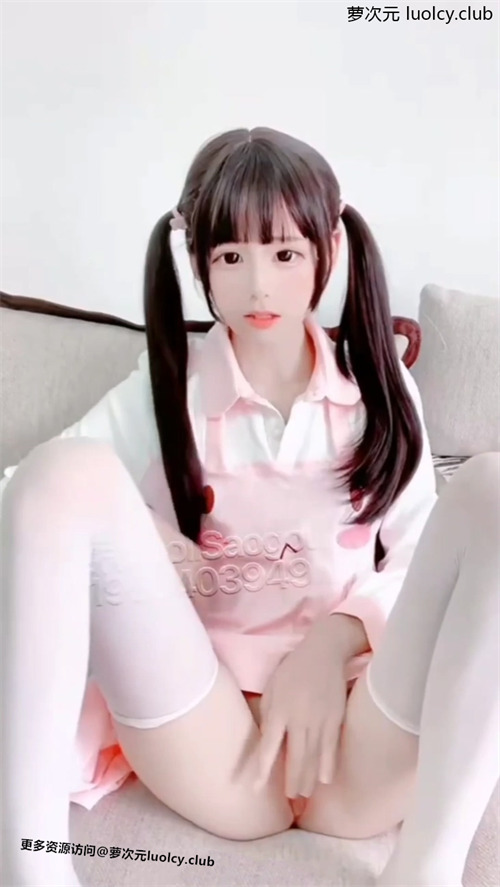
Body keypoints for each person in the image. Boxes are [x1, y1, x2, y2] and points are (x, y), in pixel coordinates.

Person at [1, 126, 498, 887]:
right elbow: (27, 495)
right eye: (231, 257)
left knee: (493, 488)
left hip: (359, 737)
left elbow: (421, 554)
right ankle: (28, 869)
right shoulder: (166, 389)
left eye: (285, 254)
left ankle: (428, 873)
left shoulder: (379, 387)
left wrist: (331, 643)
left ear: (330, 247)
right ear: (197, 258)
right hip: (215, 738)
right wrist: (155, 537)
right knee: (63, 472)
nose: (259, 286)